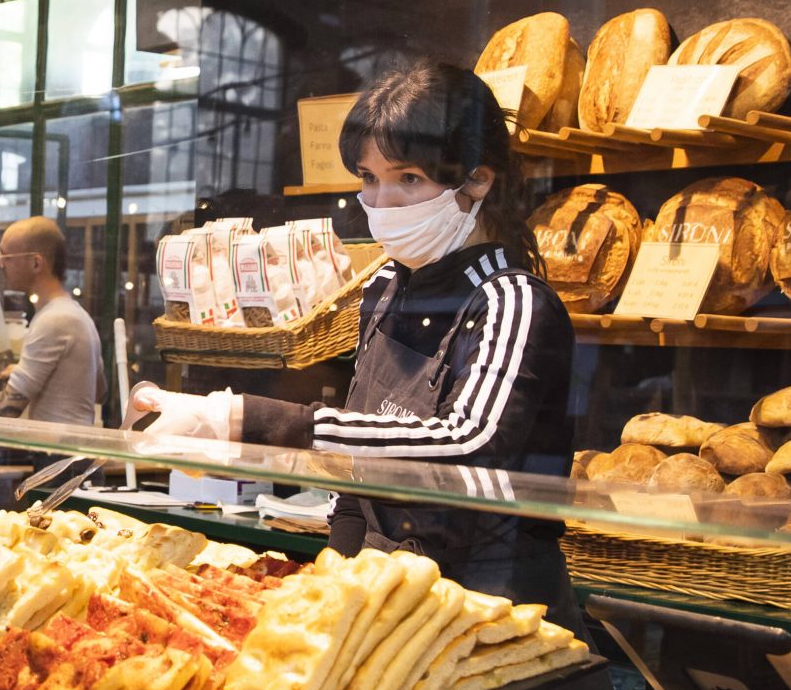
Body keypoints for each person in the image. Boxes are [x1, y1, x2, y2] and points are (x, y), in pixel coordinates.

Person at [133, 61, 576, 610]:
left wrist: (249, 421)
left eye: (408, 179)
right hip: (382, 591)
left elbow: (469, 444)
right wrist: (330, 587)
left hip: (490, 601)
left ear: (478, 179)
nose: (381, 204)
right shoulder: (386, 287)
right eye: (369, 178)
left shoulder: (513, 301)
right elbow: (356, 484)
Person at [0, 214, 103, 426]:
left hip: (59, 455)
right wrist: (35, 374)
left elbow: (7, 408)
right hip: (70, 452)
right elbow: (98, 390)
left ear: (35, 263)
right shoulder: (77, 315)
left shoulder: (53, 320)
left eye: (5, 256)